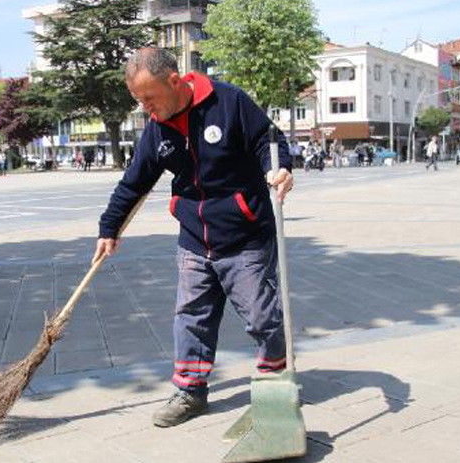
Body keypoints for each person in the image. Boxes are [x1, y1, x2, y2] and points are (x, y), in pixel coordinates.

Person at [94, 48, 293, 428]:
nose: (146, 108)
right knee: (191, 317)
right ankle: (190, 391)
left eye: (149, 98)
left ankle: (275, 380)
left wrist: (279, 168)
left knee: (261, 316)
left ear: (174, 81)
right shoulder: (157, 128)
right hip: (194, 240)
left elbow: (269, 141)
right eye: (139, 101)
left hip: (244, 234)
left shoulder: (229, 101)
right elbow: (133, 182)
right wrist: (109, 229)